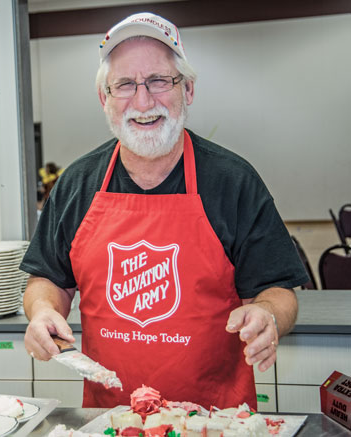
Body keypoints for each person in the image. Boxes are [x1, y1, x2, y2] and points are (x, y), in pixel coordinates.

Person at [20, 12, 308, 409]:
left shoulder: (233, 181)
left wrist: (268, 315)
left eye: (159, 81)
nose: (143, 101)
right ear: (105, 98)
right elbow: (47, 280)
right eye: (124, 84)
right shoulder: (77, 184)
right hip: (111, 417)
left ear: (187, 90)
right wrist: (41, 311)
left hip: (216, 418)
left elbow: (279, 292)